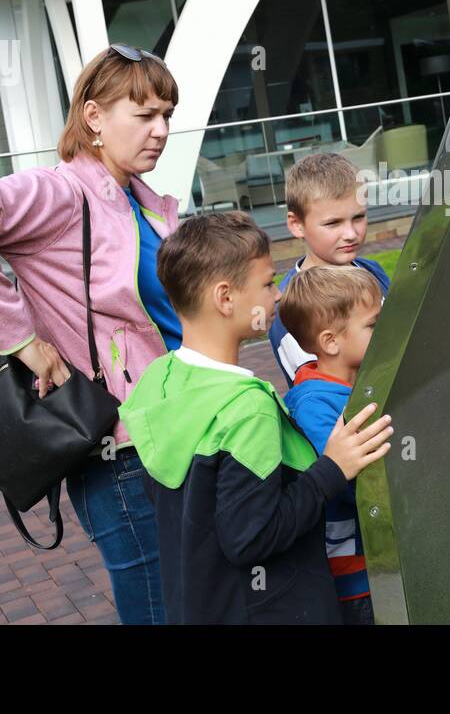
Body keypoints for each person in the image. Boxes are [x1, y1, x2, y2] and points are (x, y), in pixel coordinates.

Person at [0, 44, 182, 624]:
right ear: (93, 118)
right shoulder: (64, 193)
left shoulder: (144, 202)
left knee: (189, 596)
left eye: (167, 116)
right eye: (144, 116)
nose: (160, 131)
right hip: (120, 448)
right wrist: (21, 339)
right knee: (160, 607)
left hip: (176, 426)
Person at [119, 212, 393, 623]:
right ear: (225, 298)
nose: (277, 296)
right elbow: (252, 536)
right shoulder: (246, 409)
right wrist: (332, 469)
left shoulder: (160, 379)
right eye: (267, 284)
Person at [268, 151, 450, 388]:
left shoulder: (370, 270)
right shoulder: (290, 307)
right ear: (296, 224)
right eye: (333, 223)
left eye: (358, 217)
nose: (350, 233)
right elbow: (319, 394)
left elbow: (410, 333)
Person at [277, 264, 384, 624]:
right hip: (355, 577)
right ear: (330, 341)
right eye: (373, 324)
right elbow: (357, 481)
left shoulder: (359, 381)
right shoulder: (315, 405)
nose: (384, 331)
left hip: (375, 562)